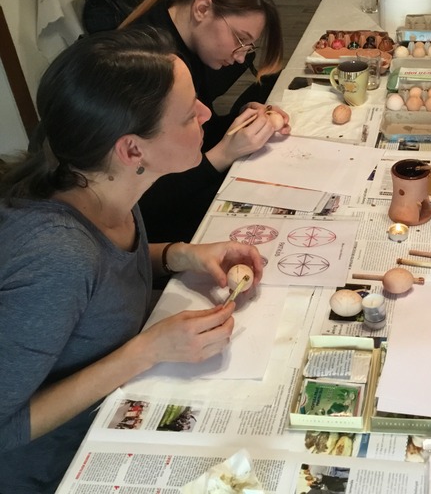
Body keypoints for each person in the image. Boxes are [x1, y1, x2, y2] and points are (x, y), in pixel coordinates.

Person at [0, 28, 263, 493]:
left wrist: (178, 254)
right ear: (132, 149)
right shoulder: (57, 255)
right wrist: (146, 351)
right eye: (189, 113)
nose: (206, 113)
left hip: (114, 412)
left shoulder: (103, 186)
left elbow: (103, 278)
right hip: (61, 469)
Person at [119, 0, 291, 244]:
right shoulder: (150, 67)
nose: (241, 57)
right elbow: (144, 203)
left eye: (248, 47)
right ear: (202, 9)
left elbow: (201, 131)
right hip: (156, 228)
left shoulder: (185, 39)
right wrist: (224, 153)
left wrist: (241, 122)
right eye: (240, 40)